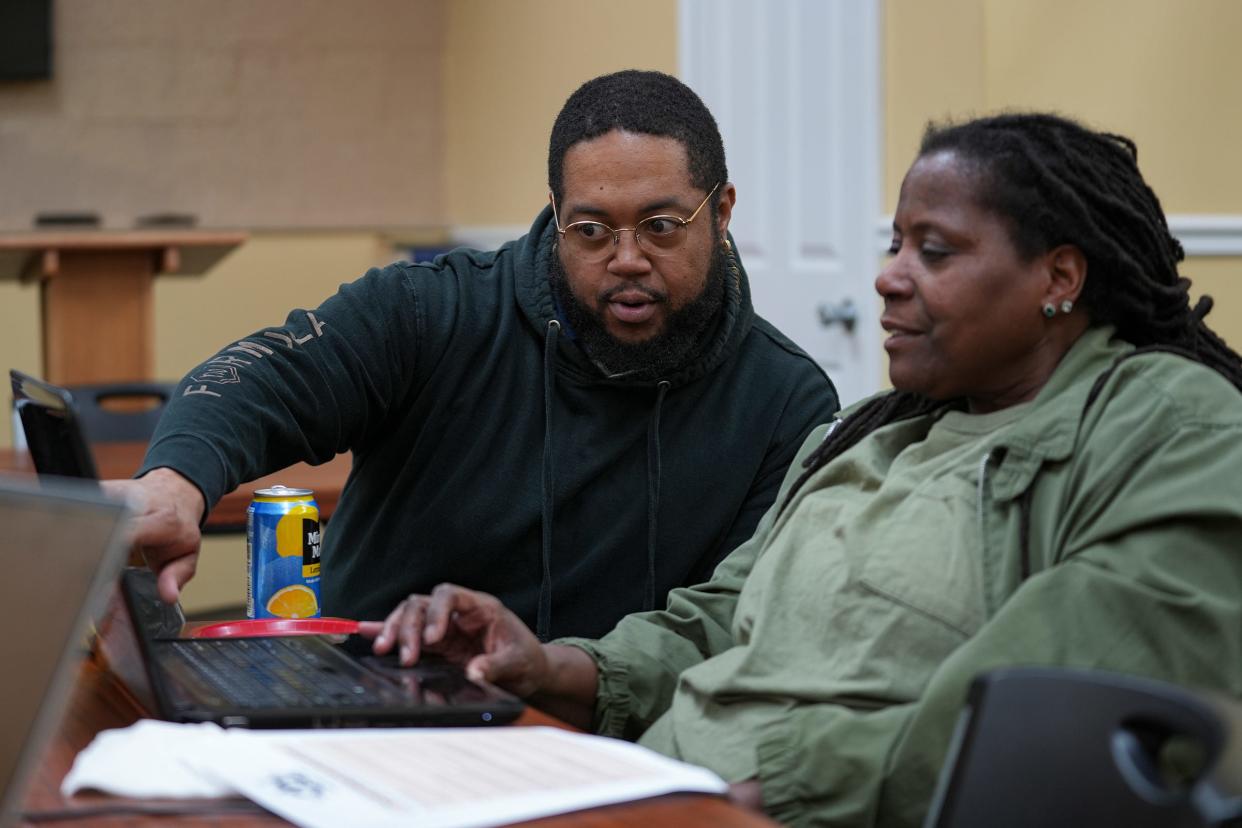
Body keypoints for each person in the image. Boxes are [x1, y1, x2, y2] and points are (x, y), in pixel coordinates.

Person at [362, 112, 1242, 826]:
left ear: (1058, 276)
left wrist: (771, 787)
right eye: (895, 244)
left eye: (932, 251)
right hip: (655, 790)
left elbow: (1052, 710)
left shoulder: (1169, 424)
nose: (887, 280)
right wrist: (551, 664)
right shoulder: (868, 431)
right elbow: (720, 622)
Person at [106, 69, 838, 640]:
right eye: (589, 230)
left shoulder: (785, 404)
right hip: (376, 712)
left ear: (722, 209)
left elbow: (728, 631)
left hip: (619, 749)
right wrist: (175, 485)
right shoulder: (431, 312)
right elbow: (263, 378)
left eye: (660, 225)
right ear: (555, 216)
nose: (626, 259)